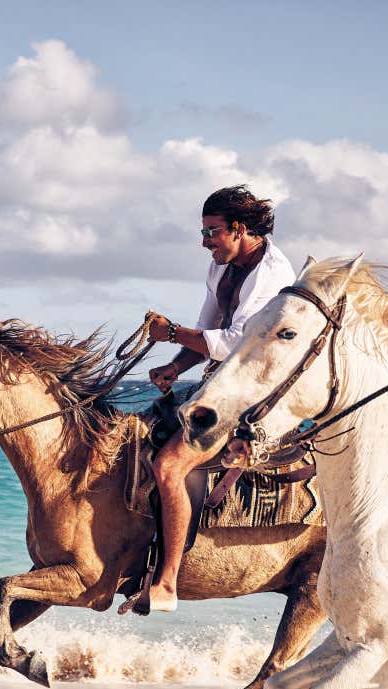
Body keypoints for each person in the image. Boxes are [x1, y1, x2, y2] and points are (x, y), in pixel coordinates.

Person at [118, 185, 295, 615]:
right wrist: (176, 368)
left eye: (211, 232)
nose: (205, 242)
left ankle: (166, 583)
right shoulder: (222, 268)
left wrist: (173, 333)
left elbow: (236, 342)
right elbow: (206, 331)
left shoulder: (271, 274)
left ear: (239, 229)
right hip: (223, 383)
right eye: (203, 232)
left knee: (169, 464)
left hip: (258, 391)